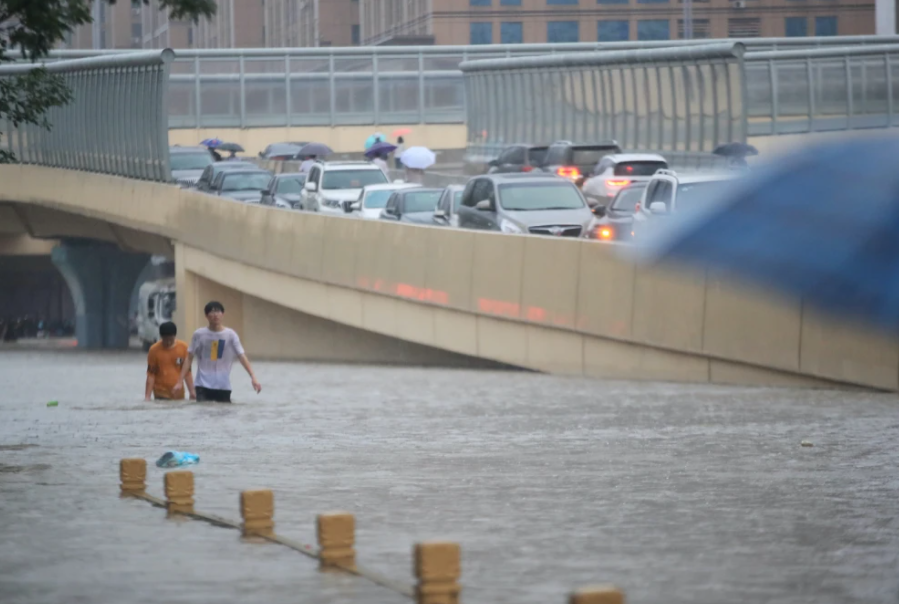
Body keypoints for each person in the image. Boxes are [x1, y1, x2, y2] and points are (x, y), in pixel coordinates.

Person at [174, 301, 261, 403]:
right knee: (203, 414)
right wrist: (180, 381)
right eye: (212, 312)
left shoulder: (230, 335)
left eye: (218, 312)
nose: (215, 315)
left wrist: (253, 377)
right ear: (206, 315)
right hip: (202, 385)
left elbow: (241, 356)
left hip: (223, 385)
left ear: (223, 314)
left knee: (223, 414)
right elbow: (189, 358)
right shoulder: (199, 334)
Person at [145, 321, 195, 401]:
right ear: (161, 337)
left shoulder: (183, 347)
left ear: (175, 336)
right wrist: (147, 397)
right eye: (165, 339)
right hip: (160, 394)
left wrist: (192, 392)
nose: (168, 342)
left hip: (178, 393)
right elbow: (151, 375)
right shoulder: (154, 350)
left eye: (170, 339)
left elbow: (187, 372)